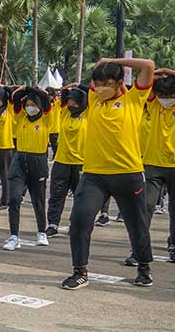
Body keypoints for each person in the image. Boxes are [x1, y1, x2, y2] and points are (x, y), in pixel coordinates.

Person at [62, 57, 156, 290]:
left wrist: (113, 60)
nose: (101, 87)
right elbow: (94, 86)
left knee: (137, 225)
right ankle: (80, 271)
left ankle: (144, 266)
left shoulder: (134, 99)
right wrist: (101, 69)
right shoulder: (93, 99)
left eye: (107, 83)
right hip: (94, 175)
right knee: (80, 220)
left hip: (128, 173)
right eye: (98, 83)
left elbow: (148, 66)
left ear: (119, 83)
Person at [3, 86, 52, 251]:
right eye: (27, 104)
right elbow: (16, 98)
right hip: (19, 161)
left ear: (39, 106)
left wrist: (31, 89)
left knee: (38, 200)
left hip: (38, 162)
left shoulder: (46, 118)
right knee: (14, 198)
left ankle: (41, 232)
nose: (29, 107)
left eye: (33, 104)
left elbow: (45, 97)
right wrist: (23, 91)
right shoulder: (21, 117)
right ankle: (14, 236)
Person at [140, 69, 175, 263]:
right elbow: (144, 85)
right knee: (146, 206)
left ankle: (174, 245)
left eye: (170, 96)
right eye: (162, 95)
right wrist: (156, 77)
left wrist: (169, 72)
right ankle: (139, 248)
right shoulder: (154, 105)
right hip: (153, 164)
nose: (165, 99)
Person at [46, 86, 88, 238]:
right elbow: (63, 97)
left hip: (81, 163)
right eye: (69, 103)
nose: (71, 106)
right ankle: (52, 224)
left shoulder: (88, 114)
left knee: (81, 197)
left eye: (75, 103)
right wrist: (67, 89)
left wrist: (79, 85)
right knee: (56, 195)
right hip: (62, 161)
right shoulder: (64, 113)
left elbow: (91, 93)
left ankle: (75, 224)